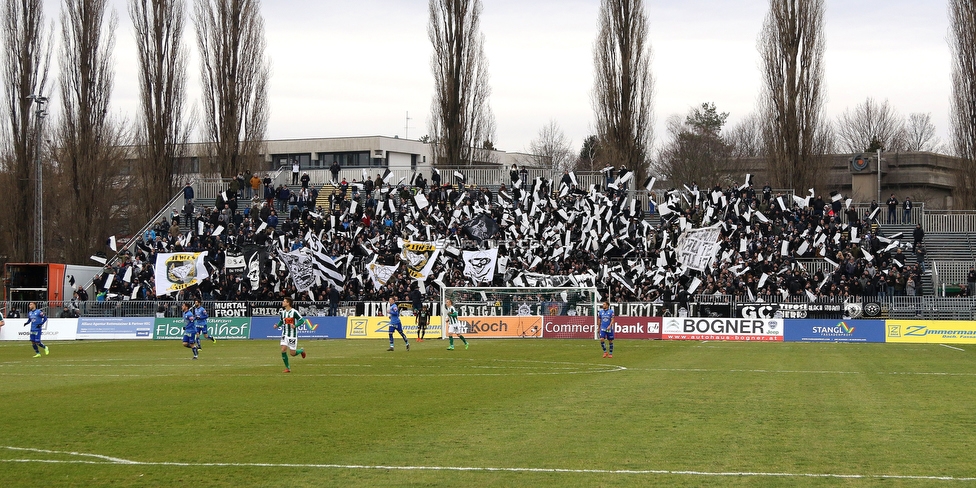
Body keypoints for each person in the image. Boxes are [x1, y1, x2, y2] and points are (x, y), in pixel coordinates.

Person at [275, 297, 307, 373]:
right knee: (283, 350)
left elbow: (302, 320)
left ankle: (301, 350)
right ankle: (287, 368)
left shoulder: (294, 312)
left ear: (288, 303)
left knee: (292, 353)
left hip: (292, 335)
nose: (283, 302)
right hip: (284, 334)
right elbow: (281, 321)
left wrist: (295, 325)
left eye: (284, 301)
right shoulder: (282, 313)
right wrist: (277, 325)